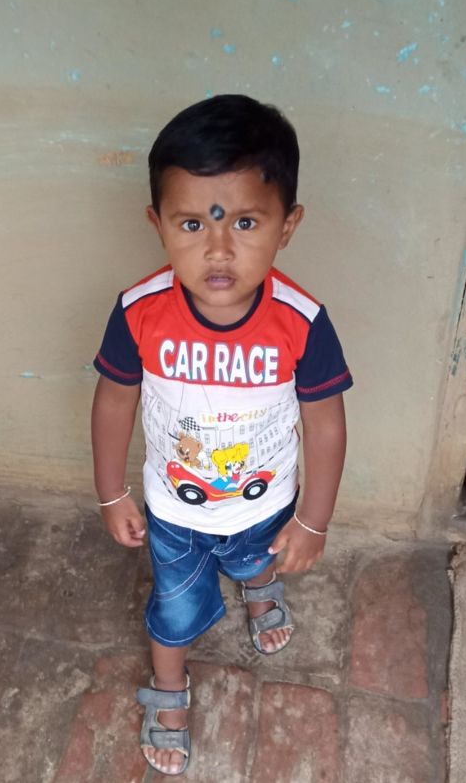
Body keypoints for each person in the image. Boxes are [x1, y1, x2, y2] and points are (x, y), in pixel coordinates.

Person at [91, 94, 352, 776]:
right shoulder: (139, 312)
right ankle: (169, 688)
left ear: (287, 225)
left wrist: (313, 519)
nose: (218, 249)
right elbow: (115, 398)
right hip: (174, 510)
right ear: (157, 223)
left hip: (265, 501)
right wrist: (111, 493)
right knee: (173, 607)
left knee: (257, 558)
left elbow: (325, 420)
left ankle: (261, 588)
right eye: (191, 223)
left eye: (244, 221)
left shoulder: (301, 321)